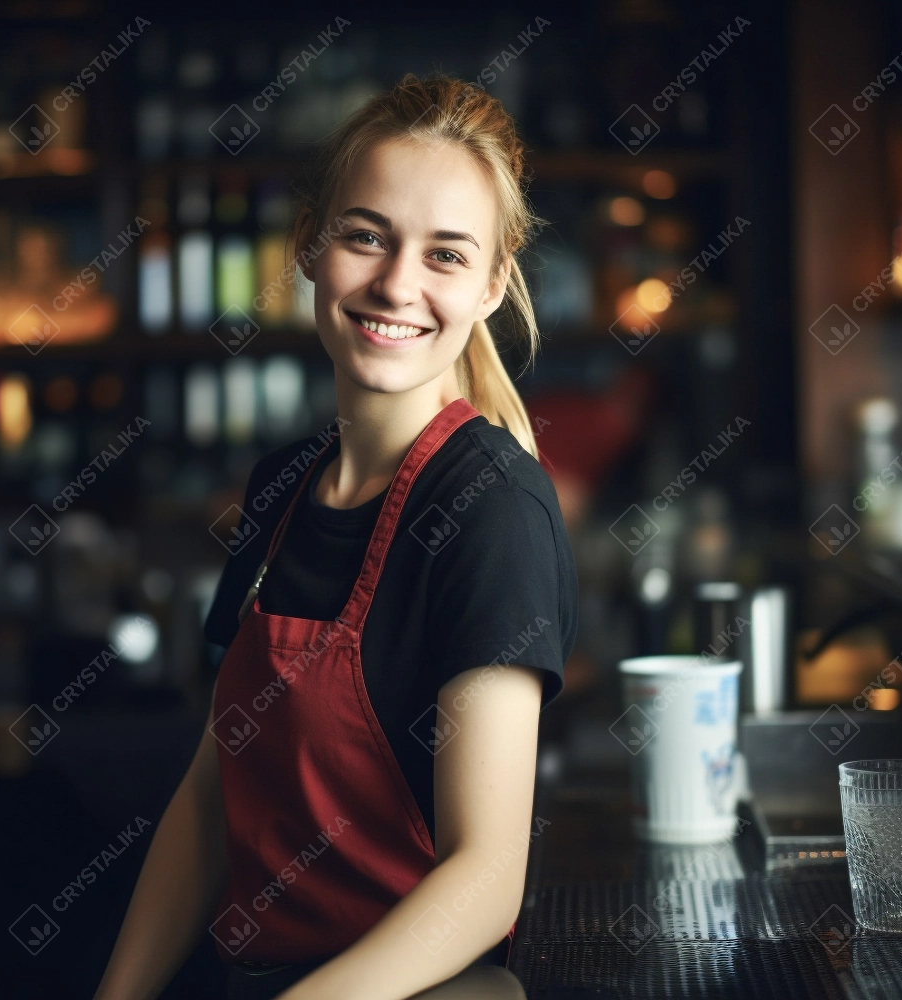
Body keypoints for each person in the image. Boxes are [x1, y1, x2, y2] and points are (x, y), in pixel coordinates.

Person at [93, 73, 577, 1000]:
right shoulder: (281, 485)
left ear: (491, 286)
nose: (397, 283)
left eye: (446, 255)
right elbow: (210, 794)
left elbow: (484, 881)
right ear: (311, 246)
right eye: (366, 236)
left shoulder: (491, 511)